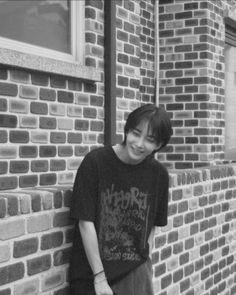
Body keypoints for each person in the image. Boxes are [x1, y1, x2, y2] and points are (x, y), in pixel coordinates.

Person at [69, 103, 172, 295]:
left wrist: (144, 267)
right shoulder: (95, 163)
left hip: (134, 277)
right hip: (92, 277)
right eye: (136, 133)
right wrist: (99, 278)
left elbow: (153, 226)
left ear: (159, 145)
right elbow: (85, 222)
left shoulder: (159, 175)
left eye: (150, 139)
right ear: (127, 130)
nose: (139, 143)